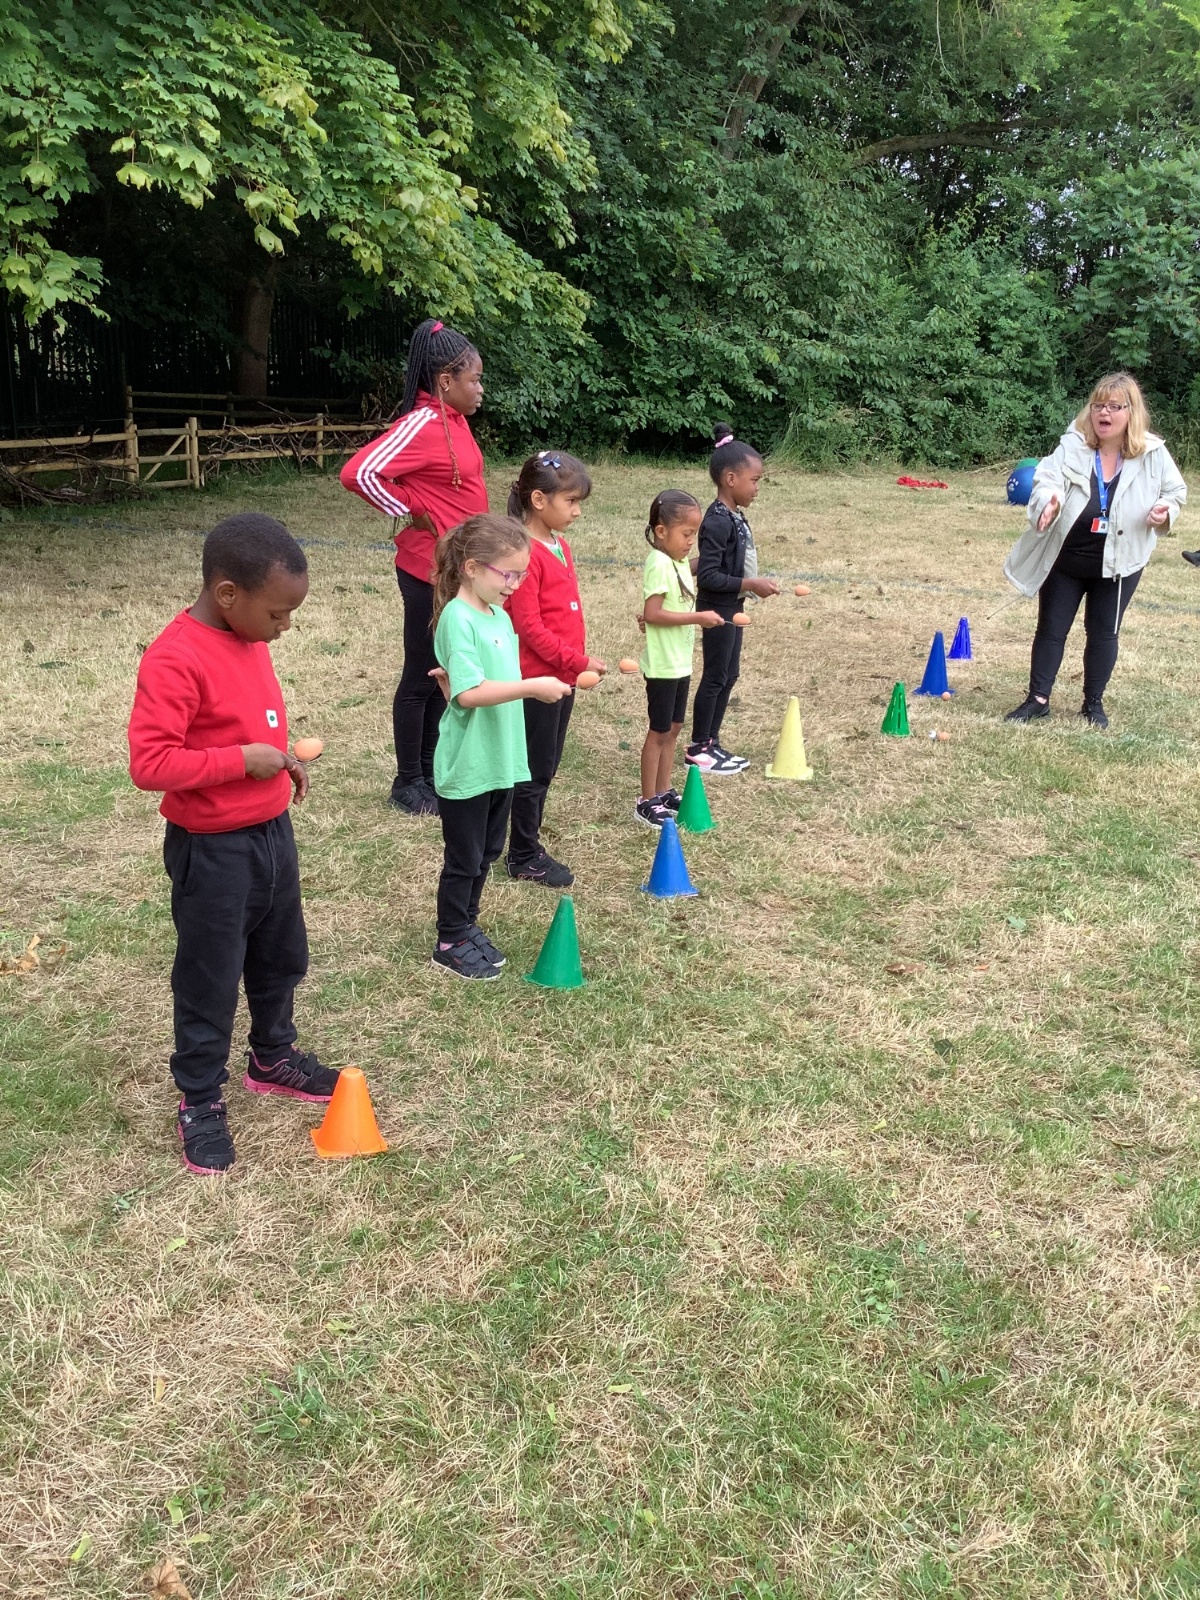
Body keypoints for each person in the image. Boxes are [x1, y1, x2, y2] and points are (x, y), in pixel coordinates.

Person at [127, 514, 340, 1176]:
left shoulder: (248, 636)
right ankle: (199, 1098)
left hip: (272, 835)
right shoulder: (175, 657)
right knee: (210, 976)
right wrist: (241, 760)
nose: (285, 627)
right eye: (278, 613)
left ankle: (272, 1056)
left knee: (281, 955)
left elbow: (253, 724)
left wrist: (280, 759)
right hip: (213, 850)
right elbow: (150, 764)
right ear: (227, 594)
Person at [341, 318, 488, 815]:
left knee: (442, 670)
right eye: (474, 380)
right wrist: (414, 509)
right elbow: (358, 472)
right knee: (422, 674)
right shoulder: (422, 423)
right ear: (445, 381)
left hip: (455, 570)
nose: (480, 389)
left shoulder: (454, 421)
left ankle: (430, 772)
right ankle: (407, 782)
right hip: (427, 570)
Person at [430, 515, 573, 980]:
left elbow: (478, 683)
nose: (514, 584)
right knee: (465, 857)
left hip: (499, 758)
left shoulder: (498, 616)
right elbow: (472, 693)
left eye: (521, 575)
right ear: (472, 568)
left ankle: (467, 925)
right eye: (507, 574)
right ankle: (449, 939)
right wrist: (532, 686)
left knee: (488, 851)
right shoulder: (458, 618)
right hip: (470, 763)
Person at [1004, 372, 1187, 729]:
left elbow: (1175, 492)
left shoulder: (1153, 453)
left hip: (1121, 562)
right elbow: (1046, 479)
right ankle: (1037, 700)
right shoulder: (1072, 444)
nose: (1104, 413)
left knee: (1103, 632)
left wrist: (1164, 510)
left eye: (1114, 407)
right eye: (1098, 405)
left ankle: (1093, 703)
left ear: (1131, 413)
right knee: (1051, 628)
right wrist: (1048, 502)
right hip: (1067, 559)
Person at [503, 450, 604, 888]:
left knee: (547, 764)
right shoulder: (524, 553)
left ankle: (523, 843)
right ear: (539, 500)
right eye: (571, 501)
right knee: (534, 768)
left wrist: (576, 663)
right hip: (538, 680)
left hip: (563, 677)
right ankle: (522, 853)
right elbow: (529, 627)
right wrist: (577, 661)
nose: (577, 511)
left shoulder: (560, 546)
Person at [686, 423, 780, 773]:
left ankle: (712, 742)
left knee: (729, 674)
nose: (757, 488)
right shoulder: (717, 521)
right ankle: (699, 747)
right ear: (730, 479)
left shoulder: (733, 516)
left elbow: (723, 562)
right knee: (715, 675)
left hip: (732, 606)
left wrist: (750, 584)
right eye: (753, 481)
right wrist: (750, 583)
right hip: (717, 608)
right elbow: (709, 574)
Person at [636, 490, 725, 828]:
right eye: (686, 534)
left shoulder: (677, 562)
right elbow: (653, 613)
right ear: (661, 532)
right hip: (662, 666)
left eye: (694, 534)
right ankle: (646, 799)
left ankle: (663, 790)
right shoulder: (659, 563)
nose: (691, 542)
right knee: (658, 731)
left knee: (673, 729)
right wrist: (698, 618)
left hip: (679, 663)